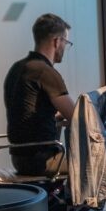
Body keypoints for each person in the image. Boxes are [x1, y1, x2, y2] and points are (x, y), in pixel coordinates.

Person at [4, 13, 75, 176]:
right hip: (42, 160)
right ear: (57, 41)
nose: (65, 47)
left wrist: (54, 117)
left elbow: (27, 109)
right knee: (98, 164)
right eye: (66, 42)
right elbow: (78, 116)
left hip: (19, 158)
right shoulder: (45, 72)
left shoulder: (17, 68)